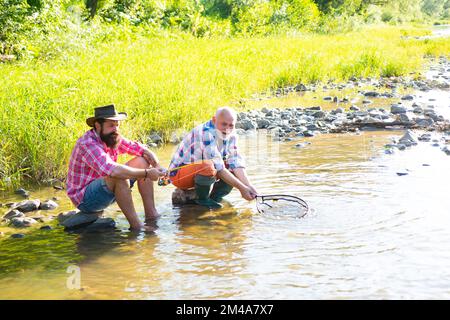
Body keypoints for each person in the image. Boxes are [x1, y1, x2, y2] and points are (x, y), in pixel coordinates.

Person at [66, 104, 166, 232]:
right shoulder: (87, 143)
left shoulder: (111, 137)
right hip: (85, 199)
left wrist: (156, 165)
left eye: (117, 125)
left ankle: (151, 214)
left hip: (104, 187)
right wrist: (147, 173)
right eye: (111, 125)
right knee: (119, 176)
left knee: (142, 160)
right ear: (97, 125)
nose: (115, 129)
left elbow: (140, 149)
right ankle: (136, 226)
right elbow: (112, 170)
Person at [168, 106, 258, 209]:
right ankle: (202, 200)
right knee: (208, 166)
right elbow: (219, 168)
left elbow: (236, 161)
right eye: (224, 124)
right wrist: (242, 189)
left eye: (231, 125)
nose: (227, 129)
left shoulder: (232, 134)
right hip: (179, 174)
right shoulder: (206, 133)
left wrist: (248, 186)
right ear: (214, 120)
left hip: (198, 169)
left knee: (230, 165)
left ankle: (215, 198)